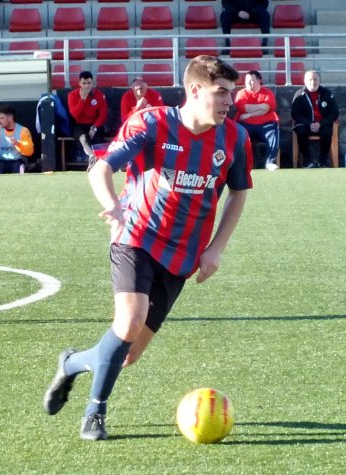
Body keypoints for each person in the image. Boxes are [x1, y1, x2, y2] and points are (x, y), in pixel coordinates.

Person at [43, 55, 253, 441]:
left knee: (129, 354)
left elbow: (238, 193)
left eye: (231, 93)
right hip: (135, 234)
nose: (229, 101)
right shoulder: (152, 122)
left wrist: (216, 248)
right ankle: (95, 413)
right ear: (194, 90)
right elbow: (102, 167)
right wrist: (111, 203)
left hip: (183, 255)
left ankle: (72, 363)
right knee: (128, 320)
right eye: (221, 92)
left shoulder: (236, 138)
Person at [291, 70, 338, 168]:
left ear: (319, 80)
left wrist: (321, 123)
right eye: (310, 80)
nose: (313, 82)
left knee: (327, 131)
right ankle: (307, 162)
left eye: (315, 79)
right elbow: (295, 113)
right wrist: (309, 123)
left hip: (322, 124)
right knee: (301, 131)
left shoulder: (327, 94)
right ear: (304, 81)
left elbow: (334, 113)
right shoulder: (299, 95)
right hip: (306, 125)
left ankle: (323, 162)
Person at [235, 70, 280, 171]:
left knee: (273, 133)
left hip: (266, 123)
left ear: (259, 80)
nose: (249, 83)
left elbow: (269, 107)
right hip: (246, 124)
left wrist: (249, 114)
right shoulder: (241, 93)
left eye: (252, 80)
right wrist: (261, 108)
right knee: (240, 135)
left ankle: (270, 162)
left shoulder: (268, 93)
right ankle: (241, 163)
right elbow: (242, 108)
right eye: (247, 81)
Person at [67, 71, 108, 168]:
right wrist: (83, 99)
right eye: (84, 83)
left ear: (93, 83)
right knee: (83, 138)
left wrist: (94, 127)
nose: (86, 86)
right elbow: (74, 114)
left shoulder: (99, 95)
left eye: (89, 83)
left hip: (94, 124)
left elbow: (103, 114)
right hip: (78, 124)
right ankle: (92, 157)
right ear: (79, 83)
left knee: (97, 138)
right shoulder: (72, 95)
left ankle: (101, 164)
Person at [0, 104, 35, 174]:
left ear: (10, 118)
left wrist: (17, 144)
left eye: (1, 118)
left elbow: (30, 151)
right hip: (0, 160)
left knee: (19, 169)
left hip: (17, 160)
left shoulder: (23, 130)